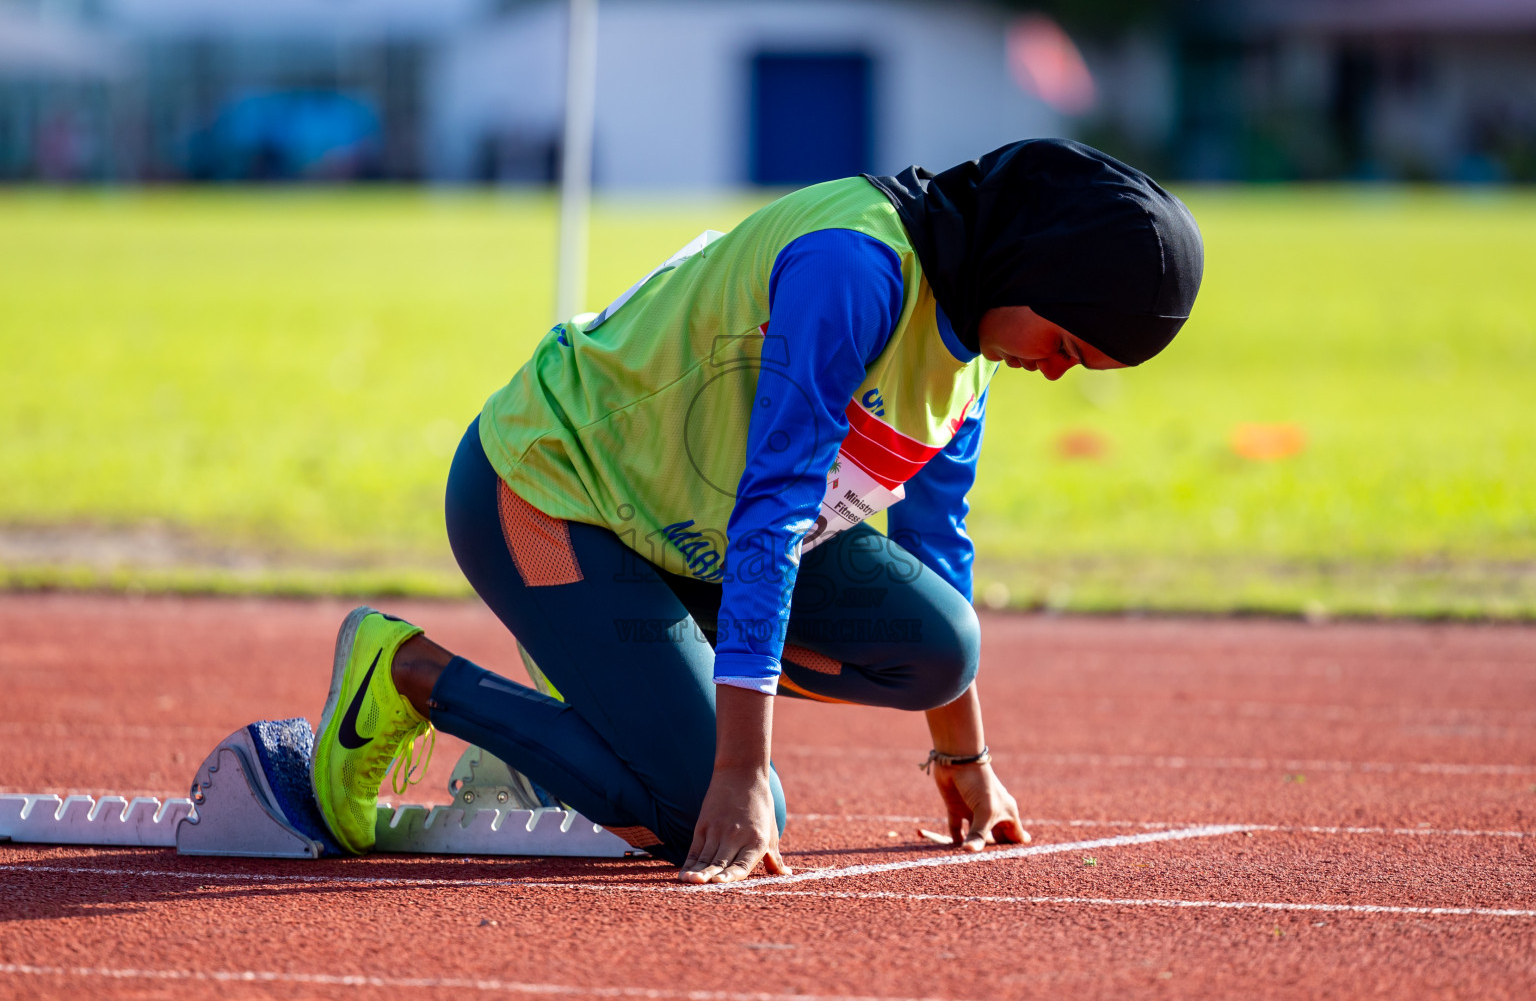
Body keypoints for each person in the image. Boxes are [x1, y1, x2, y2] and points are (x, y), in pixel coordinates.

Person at [308, 138, 1204, 883]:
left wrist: (966, 762)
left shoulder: (974, 341)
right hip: (542, 495)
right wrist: (736, 770)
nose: (1056, 371)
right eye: (1068, 347)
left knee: (942, 650)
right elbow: (772, 511)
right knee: (713, 805)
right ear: (1038, 270)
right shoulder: (854, 267)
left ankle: (618, 684)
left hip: (686, 544)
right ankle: (409, 675)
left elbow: (935, 547)